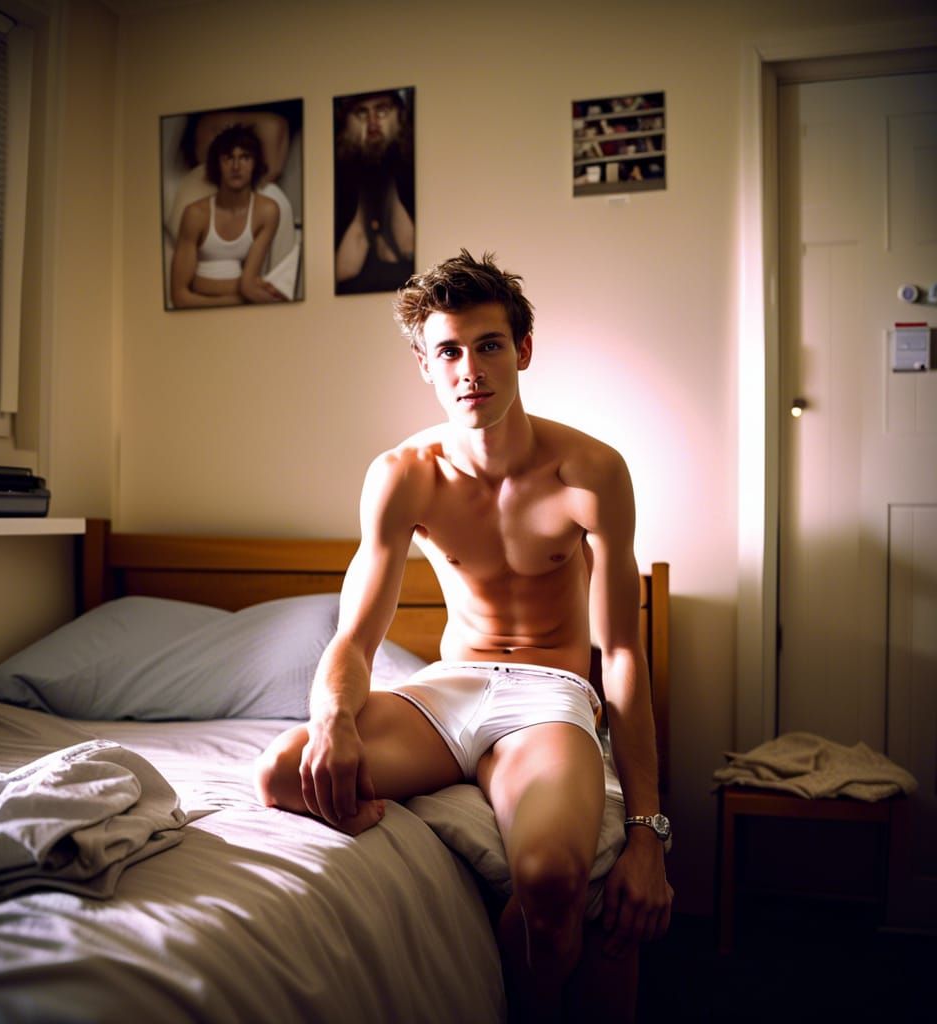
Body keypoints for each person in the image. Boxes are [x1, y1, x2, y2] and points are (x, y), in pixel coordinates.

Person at [253, 250, 672, 1019]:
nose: (469, 370)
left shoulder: (590, 472)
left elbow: (620, 656)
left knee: (549, 877)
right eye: (448, 350)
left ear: (523, 351)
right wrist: (334, 721)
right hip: (446, 692)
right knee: (285, 774)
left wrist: (648, 829)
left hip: (548, 699)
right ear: (425, 363)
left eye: (488, 346)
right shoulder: (403, 474)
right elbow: (354, 637)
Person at [170, 124, 286, 308]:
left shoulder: (267, 211)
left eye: (245, 157)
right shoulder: (196, 214)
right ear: (217, 164)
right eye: (228, 158)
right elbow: (180, 296)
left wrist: (204, 283)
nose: (236, 166)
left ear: (255, 163)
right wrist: (233, 299)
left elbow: (248, 285)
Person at [334, 89, 415, 294]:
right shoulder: (337, 180)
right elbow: (343, 270)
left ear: (399, 114)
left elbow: (408, 248)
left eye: (382, 111)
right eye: (361, 113)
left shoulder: (414, 170)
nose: (372, 123)